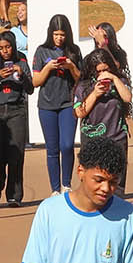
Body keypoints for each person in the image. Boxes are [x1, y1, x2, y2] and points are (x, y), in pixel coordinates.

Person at [0, 30, 34, 207]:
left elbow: (30, 88)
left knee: (16, 153)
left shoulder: (22, 62)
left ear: (13, 46)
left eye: (8, 47)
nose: (5, 51)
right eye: (1, 48)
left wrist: (21, 74)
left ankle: (14, 195)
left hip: (16, 110)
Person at [32, 15, 84, 193]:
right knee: (52, 148)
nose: (59, 38)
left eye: (62, 34)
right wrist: (48, 68)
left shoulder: (74, 50)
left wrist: (71, 67)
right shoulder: (42, 51)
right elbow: (35, 81)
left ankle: (66, 184)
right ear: (50, 33)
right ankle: (55, 189)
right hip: (47, 105)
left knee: (67, 145)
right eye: (56, 34)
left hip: (67, 103)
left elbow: (81, 80)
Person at [73, 49, 132, 146]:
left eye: (105, 70)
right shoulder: (83, 86)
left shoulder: (120, 81)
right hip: (91, 139)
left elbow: (127, 98)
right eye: (98, 71)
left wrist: (114, 78)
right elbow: (79, 113)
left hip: (117, 138)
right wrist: (95, 94)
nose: (102, 74)